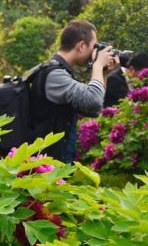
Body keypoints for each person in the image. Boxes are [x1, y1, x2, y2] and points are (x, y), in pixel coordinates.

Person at [28, 20, 118, 162]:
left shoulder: (58, 71)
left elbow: (92, 109)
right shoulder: (54, 75)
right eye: (94, 46)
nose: (95, 52)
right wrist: (97, 66)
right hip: (45, 166)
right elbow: (93, 101)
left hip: (52, 161)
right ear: (82, 46)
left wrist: (104, 73)